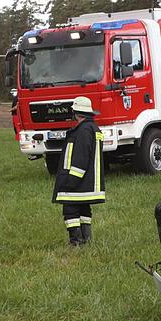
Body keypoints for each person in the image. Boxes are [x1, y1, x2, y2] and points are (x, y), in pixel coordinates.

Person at [52, 96, 105, 246]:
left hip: (78, 182)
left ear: (76, 112)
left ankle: (75, 242)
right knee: (83, 208)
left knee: (70, 210)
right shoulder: (92, 128)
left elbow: (81, 157)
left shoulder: (83, 131)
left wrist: (71, 180)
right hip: (88, 181)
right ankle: (85, 240)